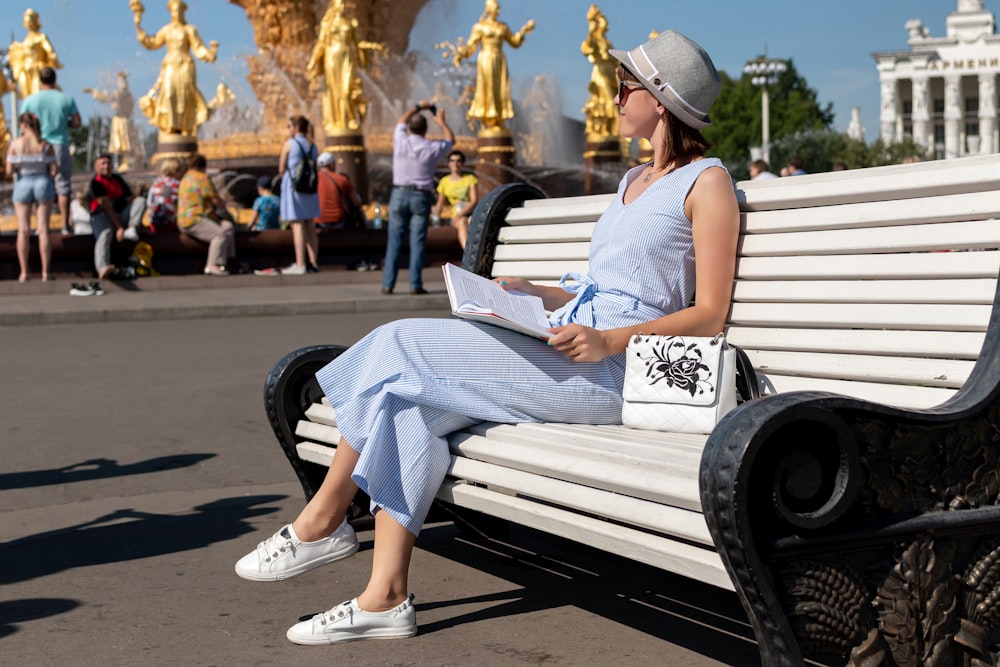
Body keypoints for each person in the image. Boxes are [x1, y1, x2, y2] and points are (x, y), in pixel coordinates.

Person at [234, 29, 738, 646]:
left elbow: (709, 313)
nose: (612, 97)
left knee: (397, 346)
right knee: (409, 402)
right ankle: (386, 596)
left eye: (624, 86)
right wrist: (533, 293)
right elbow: (603, 285)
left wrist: (611, 341)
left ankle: (325, 516)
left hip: (617, 367)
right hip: (569, 342)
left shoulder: (707, 183)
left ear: (659, 99)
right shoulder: (633, 179)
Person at [382, 101, 454, 295]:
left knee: (394, 240)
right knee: (418, 242)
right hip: (421, 197)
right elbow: (450, 140)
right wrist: (441, 122)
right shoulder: (431, 147)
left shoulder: (401, 140)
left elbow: (401, 120)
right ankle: (415, 284)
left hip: (399, 193)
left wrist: (417, 106)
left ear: (409, 129)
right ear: (425, 129)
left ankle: (388, 284)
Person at [131, 0, 219, 137]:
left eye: (179, 10)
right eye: (174, 11)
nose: (176, 13)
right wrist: (138, 25)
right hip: (170, 63)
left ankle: (186, 127)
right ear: (171, 12)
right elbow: (152, 43)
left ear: (183, 12)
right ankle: (171, 126)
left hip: (185, 64)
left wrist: (209, 54)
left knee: (185, 95)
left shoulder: (190, 29)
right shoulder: (167, 30)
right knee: (169, 93)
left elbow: (198, 48)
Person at [451, 0, 534, 132]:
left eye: (499, 8)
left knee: (500, 88)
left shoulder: (503, 27)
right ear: (488, 9)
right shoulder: (480, 27)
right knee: (487, 86)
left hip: (500, 59)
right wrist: (461, 53)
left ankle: (499, 117)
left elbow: (514, 43)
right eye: (495, 8)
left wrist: (524, 31)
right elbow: (471, 46)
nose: (498, 11)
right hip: (486, 59)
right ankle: (488, 116)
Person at [306, 0, 386, 135]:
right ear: (334, 6)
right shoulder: (327, 23)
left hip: (347, 58)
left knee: (347, 88)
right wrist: (312, 62)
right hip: (331, 58)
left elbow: (359, 43)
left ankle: (349, 119)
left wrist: (374, 47)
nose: (342, 7)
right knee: (334, 89)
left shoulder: (351, 24)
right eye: (339, 4)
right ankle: (337, 122)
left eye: (343, 4)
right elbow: (321, 44)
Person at [20, 67, 81, 235]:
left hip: (38, 145)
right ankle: (64, 225)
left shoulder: (30, 100)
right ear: (55, 80)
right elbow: (77, 122)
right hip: (60, 143)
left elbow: (23, 125)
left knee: (39, 183)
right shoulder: (66, 99)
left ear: (40, 81)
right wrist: (63, 124)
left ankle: (40, 226)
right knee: (63, 186)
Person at [5, 112, 57, 282]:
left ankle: (24, 272)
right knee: (43, 229)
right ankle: (45, 272)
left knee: (23, 230)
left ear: (23, 125)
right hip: (42, 181)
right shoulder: (45, 145)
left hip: (23, 182)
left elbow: (9, 170)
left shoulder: (15, 144)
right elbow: (53, 170)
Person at [87, 153, 146, 280]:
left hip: (120, 215)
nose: (106, 166)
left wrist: (139, 221)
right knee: (105, 233)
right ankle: (102, 268)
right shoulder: (95, 183)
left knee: (140, 201)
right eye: (102, 163)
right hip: (101, 216)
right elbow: (107, 206)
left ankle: (132, 228)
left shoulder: (118, 179)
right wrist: (118, 227)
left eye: (108, 163)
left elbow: (130, 199)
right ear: (96, 166)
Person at [177, 153, 234, 275]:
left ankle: (227, 262)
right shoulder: (202, 177)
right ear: (203, 166)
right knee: (219, 234)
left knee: (227, 226)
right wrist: (225, 208)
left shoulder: (185, 178)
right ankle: (212, 265)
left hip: (185, 219)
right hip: (195, 219)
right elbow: (215, 200)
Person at [278, 115, 321, 274]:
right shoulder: (313, 145)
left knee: (297, 225)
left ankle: (300, 263)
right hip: (310, 187)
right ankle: (314, 262)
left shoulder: (289, 144)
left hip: (294, 186)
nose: (288, 129)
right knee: (310, 225)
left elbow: (281, 168)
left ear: (296, 127)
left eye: (289, 126)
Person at [83, 71, 137, 171]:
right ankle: (125, 162)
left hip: (122, 121)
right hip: (124, 120)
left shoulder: (121, 94)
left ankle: (127, 163)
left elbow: (105, 97)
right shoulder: (127, 94)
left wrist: (93, 91)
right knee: (124, 144)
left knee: (125, 143)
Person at [580, 4, 618, 138]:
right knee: (608, 101)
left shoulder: (607, 42)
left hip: (611, 75)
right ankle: (612, 130)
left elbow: (615, 60)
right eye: (603, 22)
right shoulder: (594, 39)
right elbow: (586, 48)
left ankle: (611, 130)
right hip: (600, 73)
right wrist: (591, 29)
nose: (606, 24)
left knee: (614, 101)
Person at [8, 8, 62, 99]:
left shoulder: (41, 37)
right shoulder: (24, 41)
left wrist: (54, 62)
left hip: (38, 70)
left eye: (31, 20)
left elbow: (50, 51)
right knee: (27, 97)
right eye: (27, 21)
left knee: (38, 94)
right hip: (27, 71)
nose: (29, 23)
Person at [433, 150, 479, 249]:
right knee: (462, 222)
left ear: (462, 163)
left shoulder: (470, 179)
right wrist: (436, 217)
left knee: (472, 221)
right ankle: (468, 252)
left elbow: (474, 200)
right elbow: (440, 202)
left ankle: (479, 250)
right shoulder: (444, 181)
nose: (455, 163)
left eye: (458, 161)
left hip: (469, 212)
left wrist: (461, 213)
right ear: (449, 163)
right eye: (452, 160)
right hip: (456, 215)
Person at [316, 152, 363, 230]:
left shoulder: (313, 180)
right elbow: (356, 201)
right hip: (338, 222)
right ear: (332, 164)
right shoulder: (342, 179)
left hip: (317, 221)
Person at [146, 157, 184, 233]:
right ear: (175, 171)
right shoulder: (176, 185)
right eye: (180, 170)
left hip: (153, 223)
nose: (182, 173)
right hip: (170, 225)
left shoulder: (156, 183)